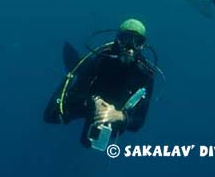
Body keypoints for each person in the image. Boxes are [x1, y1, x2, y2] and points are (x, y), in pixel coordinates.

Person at [43, 19, 157, 150]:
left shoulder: (145, 76)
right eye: (124, 39)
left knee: (88, 143)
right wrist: (93, 102)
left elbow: (138, 121)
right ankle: (75, 68)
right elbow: (74, 94)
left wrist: (120, 116)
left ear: (143, 46)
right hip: (89, 102)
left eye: (137, 42)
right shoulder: (101, 60)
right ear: (117, 40)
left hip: (114, 114)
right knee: (51, 115)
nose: (129, 48)